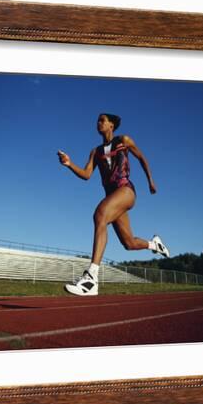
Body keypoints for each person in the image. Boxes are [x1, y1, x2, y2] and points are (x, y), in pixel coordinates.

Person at [57, 113, 169, 296]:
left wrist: (150, 180)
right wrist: (69, 164)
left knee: (100, 214)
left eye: (102, 120)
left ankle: (91, 278)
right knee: (129, 243)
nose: (98, 123)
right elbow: (86, 175)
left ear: (111, 125)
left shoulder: (123, 140)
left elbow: (141, 158)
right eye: (97, 121)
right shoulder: (96, 152)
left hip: (126, 190)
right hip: (112, 197)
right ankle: (154, 245)